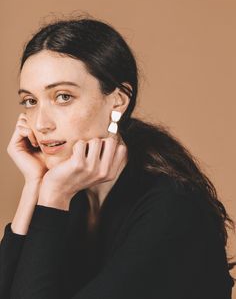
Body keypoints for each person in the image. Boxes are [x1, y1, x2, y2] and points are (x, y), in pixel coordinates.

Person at [0, 16, 235, 299]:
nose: (40, 123)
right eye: (30, 101)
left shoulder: (173, 209)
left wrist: (52, 196)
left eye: (63, 97)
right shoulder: (74, 194)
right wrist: (33, 186)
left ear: (118, 100)